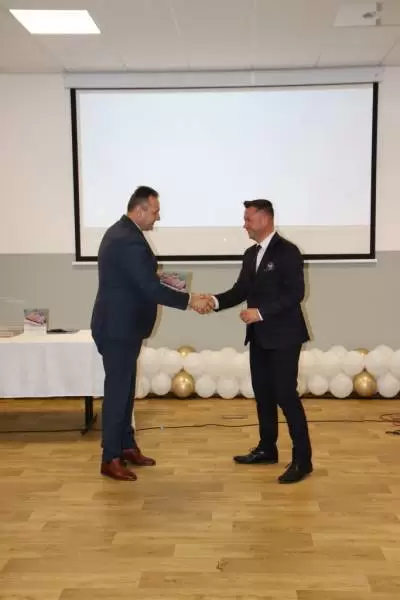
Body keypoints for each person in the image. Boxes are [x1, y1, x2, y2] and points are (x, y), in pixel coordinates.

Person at [91, 186, 212, 481]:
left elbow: (140, 279)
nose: (158, 217)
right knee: (118, 392)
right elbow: (148, 287)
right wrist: (189, 300)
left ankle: (126, 446)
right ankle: (110, 457)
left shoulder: (124, 233)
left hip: (123, 326)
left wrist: (171, 284)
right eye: (155, 211)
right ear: (140, 209)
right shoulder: (127, 239)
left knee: (125, 389)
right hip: (118, 328)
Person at [204, 199, 312, 484]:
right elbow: (241, 290)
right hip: (259, 337)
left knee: (285, 396)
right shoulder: (250, 254)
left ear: (264, 219)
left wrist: (260, 313)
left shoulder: (288, 251)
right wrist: (213, 301)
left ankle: (303, 460)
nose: (245, 225)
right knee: (263, 395)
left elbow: (295, 294)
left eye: (248, 219)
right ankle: (267, 448)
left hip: (285, 336)